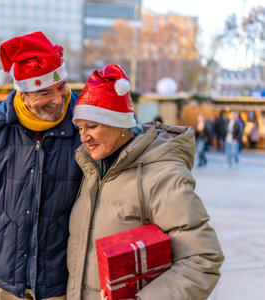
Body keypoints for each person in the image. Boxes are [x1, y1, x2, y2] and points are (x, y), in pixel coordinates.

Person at [66, 64, 224, 299]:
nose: (83, 136)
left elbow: (202, 259)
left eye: (92, 126)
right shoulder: (93, 168)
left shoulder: (163, 175)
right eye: (80, 127)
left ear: (120, 125)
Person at [0, 31, 83, 300]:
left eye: (62, 86)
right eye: (45, 91)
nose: (58, 99)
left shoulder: (83, 123)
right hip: (6, 274)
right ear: (22, 93)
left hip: (63, 276)